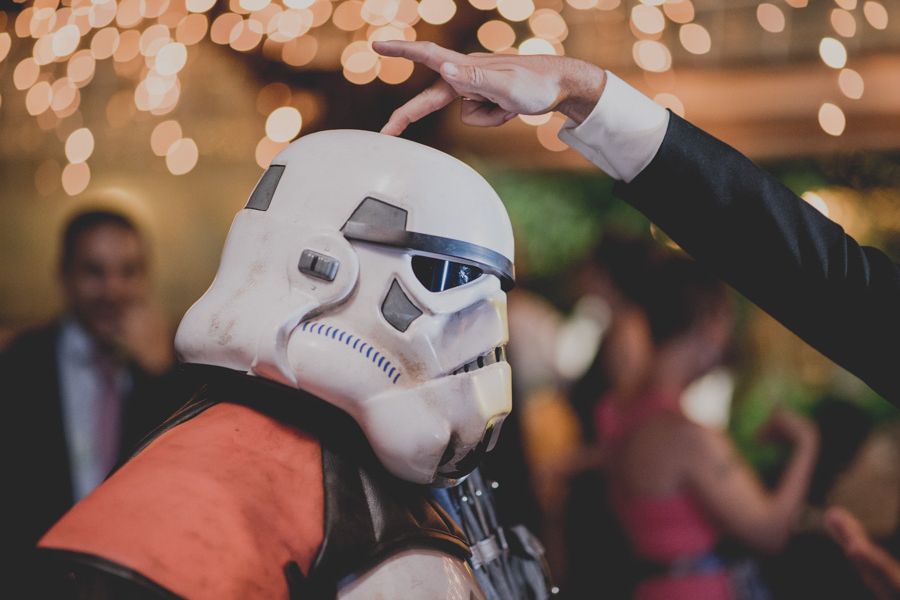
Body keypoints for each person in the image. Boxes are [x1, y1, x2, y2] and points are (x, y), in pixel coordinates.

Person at [371, 39, 900, 597]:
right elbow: (817, 270)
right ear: (707, 324)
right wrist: (583, 90)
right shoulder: (677, 424)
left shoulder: (644, 409)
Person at [34, 129, 553, 600]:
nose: (480, 331)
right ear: (321, 267)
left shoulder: (202, 442)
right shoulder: (327, 498)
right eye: (446, 279)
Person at [594, 255, 819, 600]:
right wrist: (807, 444)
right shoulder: (686, 436)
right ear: (710, 320)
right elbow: (770, 531)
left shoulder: (617, 412)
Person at [1, 209, 184, 595]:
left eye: (128, 271)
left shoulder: (168, 368)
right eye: (95, 272)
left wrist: (161, 377)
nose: (113, 290)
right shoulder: (19, 363)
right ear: (64, 275)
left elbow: (178, 487)